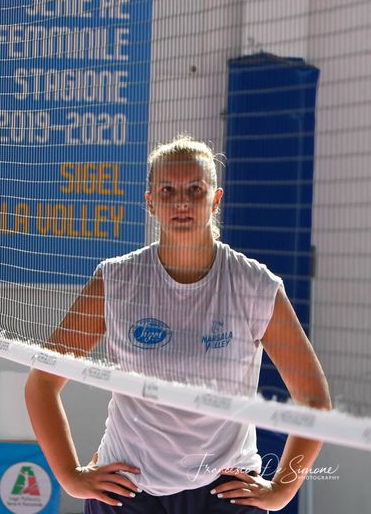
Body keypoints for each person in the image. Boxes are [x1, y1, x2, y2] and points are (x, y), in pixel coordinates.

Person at [25, 136, 331, 513]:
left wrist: (282, 490)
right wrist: (71, 477)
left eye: (195, 189)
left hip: (225, 487)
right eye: (167, 190)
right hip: (129, 486)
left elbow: (314, 400)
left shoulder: (255, 284)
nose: (182, 201)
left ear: (215, 200)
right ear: (150, 202)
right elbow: (42, 381)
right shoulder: (117, 280)